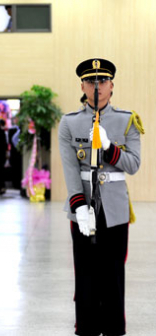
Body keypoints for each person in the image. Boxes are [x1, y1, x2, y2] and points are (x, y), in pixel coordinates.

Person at [59, 58, 142, 336]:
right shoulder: (69, 122)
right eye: (91, 81)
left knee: (113, 271)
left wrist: (108, 147)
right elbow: (71, 169)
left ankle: (114, 328)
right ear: (82, 85)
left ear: (112, 85)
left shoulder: (126, 119)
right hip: (84, 207)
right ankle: (86, 327)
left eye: (102, 81)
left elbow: (133, 164)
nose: (97, 86)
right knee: (85, 271)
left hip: (115, 207)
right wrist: (79, 205)